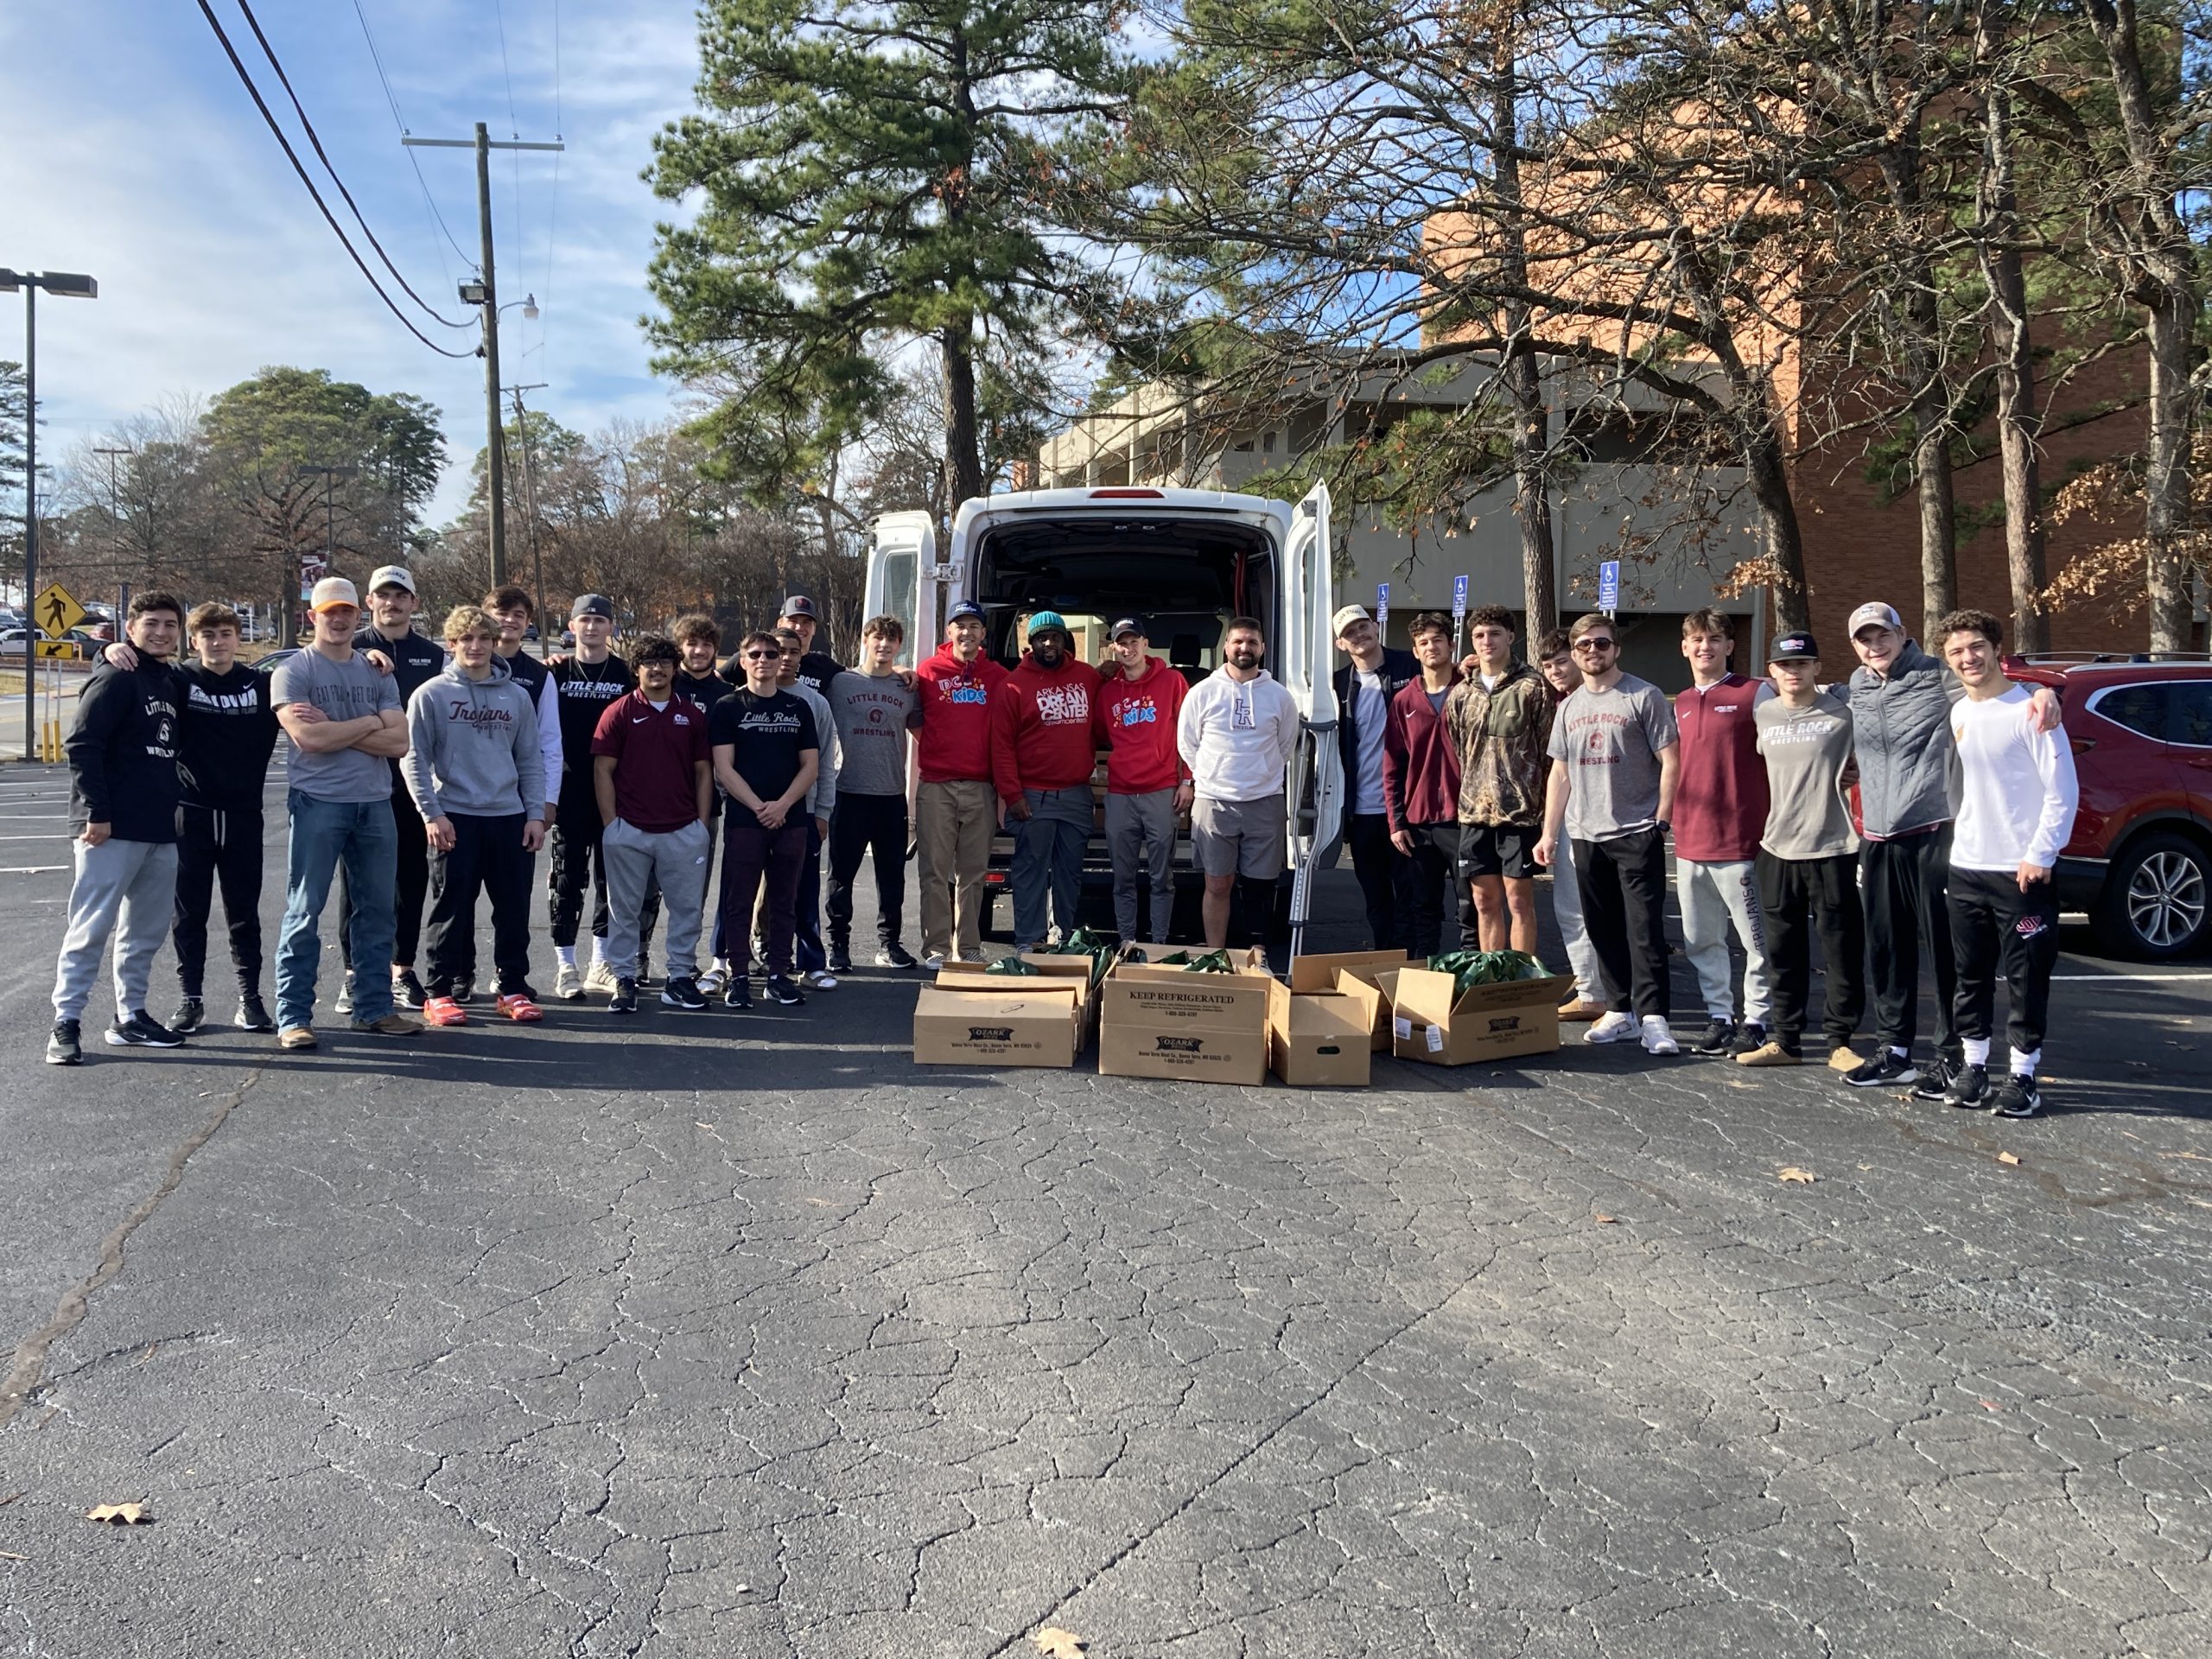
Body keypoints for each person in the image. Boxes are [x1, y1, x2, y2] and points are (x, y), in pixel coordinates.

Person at [1842, 601, 2058, 1094]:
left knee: (1946, 953)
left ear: (1902, 635)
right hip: (1877, 834)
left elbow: (1996, 687)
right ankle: (1895, 1050)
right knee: (1887, 948)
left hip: (1932, 830)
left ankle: (1951, 1054)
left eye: (1883, 636)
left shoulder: (1937, 675)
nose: (1875, 646)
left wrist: (2043, 691)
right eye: (1864, 639)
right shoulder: (1855, 684)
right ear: (1855, 645)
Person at [1936, 609, 2078, 1118]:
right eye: (1956, 652)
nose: (1967, 658)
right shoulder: (1960, 713)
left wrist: (2041, 854)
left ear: (1997, 649)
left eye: (1975, 647)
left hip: (2020, 872)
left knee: (2025, 977)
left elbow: (2062, 791)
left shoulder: (2032, 712)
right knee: (1969, 974)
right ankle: (1974, 1068)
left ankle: (2023, 1075)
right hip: (1968, 865)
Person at [270, 577, 420, 1048]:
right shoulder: (294, 672)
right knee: (304, 909)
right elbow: (309, 740)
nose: (338, 619)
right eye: (328, 612)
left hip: (375, 804)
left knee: (377, 911)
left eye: (347, 612)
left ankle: (373, 1008)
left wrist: (339, 726)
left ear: (360, 616)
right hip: (318, 803)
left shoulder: (378, 671)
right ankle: (293, 1016)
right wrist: (373, 722)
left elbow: (400, 742)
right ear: (311, 617)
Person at [48, 592, 190, 1065]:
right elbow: (82, 745)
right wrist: (96, 812)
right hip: (108, 828)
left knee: (143, 933)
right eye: (152, 623)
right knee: (90, 929)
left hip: (159, 829)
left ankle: (130, 1017)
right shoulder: (114, 676)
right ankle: (65, 1024)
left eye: (171, 624)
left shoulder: (168, 680)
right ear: (130, 628)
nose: (162, 632)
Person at [1537, 613, 1681, 1056]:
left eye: (1601, 644)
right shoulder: (1569, 706)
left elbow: (1671, 759)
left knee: (1643, 928)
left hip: (1637, 830)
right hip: (1586, 834)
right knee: (1602, 928)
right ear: (1576, 653)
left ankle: (1654, 1018)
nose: (1593, 652)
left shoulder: (1644, 695)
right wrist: (1549, 834)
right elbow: (1559, 773)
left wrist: (1661, 818)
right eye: (1584, 646)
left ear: (1615, 649)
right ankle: (1620, 1011)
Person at [401, 606, 549, 1027]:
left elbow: (530, 760)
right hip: (456, 818)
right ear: (452, 645)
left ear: (493, 642)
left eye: (483, 638)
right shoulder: (431, 694)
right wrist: (432, 813)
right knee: (451, 909)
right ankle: (440, 993)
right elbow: (414, 759)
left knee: (514, 909)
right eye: (466, 639)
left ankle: (513, 988)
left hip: (509, 817)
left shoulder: (516, 696)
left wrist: (534, 814)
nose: (476, 646)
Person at [1743, 631, 1866, 1070]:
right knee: (1782, 952)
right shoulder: (1765, 714)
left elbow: (1871, 755)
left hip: (1832, 844)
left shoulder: (1844, 712)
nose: (1793, 672)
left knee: (1840, 949)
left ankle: (1840, 1042)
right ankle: (1786, 1040)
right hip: (1777, 847)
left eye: (1802, 664)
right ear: (1772, 673)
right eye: (1784, 666)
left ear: (1816, 668)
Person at [338, 565, 447, 1015]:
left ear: (414, 604)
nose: (393, 603)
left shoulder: (432, 654)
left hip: (413, 784)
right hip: (359, 780)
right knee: (357, 880)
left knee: (410, 877)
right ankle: (355, 973)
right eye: (384, 595)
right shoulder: (348, 647)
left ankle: (401, 968)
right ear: (370, 602)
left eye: (401, 596)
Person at [168, 602, 281, 1036]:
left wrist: (370, 655)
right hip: (190, 814)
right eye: (208, 635)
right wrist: (109, 652)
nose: (217, 642)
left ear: (239, 639)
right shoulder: (178, 680)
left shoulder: (262, 684)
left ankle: (249, 998)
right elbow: (134, 671)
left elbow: (320, 673)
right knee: (188, 912)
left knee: (243, 911)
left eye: (226, 634)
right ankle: (190, 998)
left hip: (243, 815)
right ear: (194, 641)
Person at [1672, 608, 1776, 1057]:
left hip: (1743, 841)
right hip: (1690, 841)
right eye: (1696, 639)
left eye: (1714, 639)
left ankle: (1757, 1019)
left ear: (1730, 646)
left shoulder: (1756, 693)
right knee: (1702, 940)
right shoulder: (1677, 702)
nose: (1705, 647)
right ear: (1684, 647)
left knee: (1756, 941)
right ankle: (1719, 1016)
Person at [593, 633, 714, 1015]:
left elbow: (703, 773)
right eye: (649, 663)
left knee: (686, 910)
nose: (657, 669)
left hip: (682, 830)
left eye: (664, 662)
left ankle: (679, 979)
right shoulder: (619, 712)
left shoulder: (691, 715)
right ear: (637, 669)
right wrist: (612, 825)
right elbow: (602, 769)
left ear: (675, 668)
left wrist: (701, 825)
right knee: (624, 911)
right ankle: (624, 979)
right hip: (630, 830)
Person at [710, 630, 821, 1009]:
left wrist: (783, 805)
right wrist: (760, 806)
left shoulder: (798, 708)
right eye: (755, 654)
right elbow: (723, 768)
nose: (764, 660)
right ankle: (738, 976)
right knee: (738, 902)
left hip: (790, 821)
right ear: (742, 660)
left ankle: (779, 975)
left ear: (781, 661)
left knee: (784, 901)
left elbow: (811, 766)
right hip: (745, 819)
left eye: (771, 654)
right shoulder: (728, 706)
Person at [1178, 615, 1300, 950]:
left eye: (1251, 642)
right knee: (1217, 884)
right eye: (1238, 641)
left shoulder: (1279, 696)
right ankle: (1216, 952)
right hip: (1214, 803)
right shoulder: (1202, 693)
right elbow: (1187, 743)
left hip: (1265, 801)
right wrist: (1210, 774)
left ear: (1262, 648)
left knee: (1261, 886)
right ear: (1226, 647)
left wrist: (1261, 772)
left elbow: (1286, 745)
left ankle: (1258, 955)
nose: (1244, 647)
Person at [1443, 604, 1553, 955]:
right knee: (1483, 899)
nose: (1486, 641)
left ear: (1510, 636)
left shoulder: (1533, 687)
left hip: (1519, 814)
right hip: (1474, 813)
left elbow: (1548, 751)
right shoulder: (1461, 693)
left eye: (1494, 634)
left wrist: (1546, 812)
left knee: (1519, 901)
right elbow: (1460, 749)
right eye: (1479, 635)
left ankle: (1519, 977)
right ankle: (1493, 976)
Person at [993, 611, 1103, 952]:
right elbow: (1001, 746)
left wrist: (1110, 670)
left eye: (1055, 637)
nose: (1049, 644)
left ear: (1064, 640)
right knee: (1031, 871)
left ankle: (1065, 936)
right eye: (1042, 638)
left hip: (1076, 794)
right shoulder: (1013, 685)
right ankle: (1029, 939)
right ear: (1031, 644)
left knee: (1070, 873)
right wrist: (1012, 795)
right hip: (1032, 795)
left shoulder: (1087, 677)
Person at [824, 615, 925, 971]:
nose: (883, 645)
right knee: (841, 873)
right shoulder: (840, 683)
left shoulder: (907, 688)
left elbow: (925, 735)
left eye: (891, 640)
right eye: (877, 638)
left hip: (890, 794)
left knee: (892, 873)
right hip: (848, 792)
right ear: (864, 640)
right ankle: (838, 945)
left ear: (899, 645)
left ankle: (890, 944)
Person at [548, 594, 635, 1000]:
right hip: (569, 791)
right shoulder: (556, 672)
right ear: (571, 625)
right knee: (567, 879)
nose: (592, 627)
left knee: (610, 881)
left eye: (600, 620)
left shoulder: (626, 675)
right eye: (584, 619)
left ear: (611, 628)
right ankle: (566, 966)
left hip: (616, 793)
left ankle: (601, 963)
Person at [913, 601, 1007, 966]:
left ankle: (967, 948)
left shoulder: (998, 676)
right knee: (933, 872)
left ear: (984, 633)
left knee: (973, 875)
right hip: (936, 785)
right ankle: (936, 949)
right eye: (959, 625)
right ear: (948, 632)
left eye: (973, 626)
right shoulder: (928, 671)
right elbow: (911, 716)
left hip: (981, 787)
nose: (966, 632)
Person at [482, 584, 563, 1006]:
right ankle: (455, 978)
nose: (507, 620)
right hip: (463, 806)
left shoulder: (539, 676)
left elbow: (549, 745)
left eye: (516, 614)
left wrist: (545, 803)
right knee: (455, 900)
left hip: (518, 807)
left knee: (513, 903)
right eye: (499, 612)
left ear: (528, 623)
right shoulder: (453, 669)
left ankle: (511, 978)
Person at [1094, 617, 1191, 945]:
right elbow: (1099, 735)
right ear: (1114, 648)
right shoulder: (1107, 692)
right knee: (1122, 877)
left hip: (1161, 791)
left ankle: (1158, 942)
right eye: (1122, 642)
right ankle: (1127, 941)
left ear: (1146, 645)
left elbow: (1189, 734)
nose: (1128, 647)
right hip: (1121, 793)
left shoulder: (1173, 681)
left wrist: (1187, 781)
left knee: (1161, 876)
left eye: (1134, 641)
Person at [757, 626, 842, 988]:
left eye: (792, 651)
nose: (785, 658)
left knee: (805, 889)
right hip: (756, 812)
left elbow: (827, 761)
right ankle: (756, 954)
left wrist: (822, 811)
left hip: (803, 813)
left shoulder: (815, 703)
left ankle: (811, 962)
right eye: (777, 651)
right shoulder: (746, 698)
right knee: (752, 889)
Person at [1331, 604, 1418, 950]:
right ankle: (1386, 963)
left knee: (1412, 896)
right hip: (1361, 811)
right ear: (1340, 643)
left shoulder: (1410, 668)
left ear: (1375, 626)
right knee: (1377, 899)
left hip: (1406, 809)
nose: (1359, 634)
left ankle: (1413, 969)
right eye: (1350, 631)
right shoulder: (1337, 685)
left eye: (1363, 625)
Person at [1382, 612, 1467, 957]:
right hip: (1419, 823)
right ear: (1415, 652)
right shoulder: (1404, 701)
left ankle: (1471, 974)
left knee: (1471, 906)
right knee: (1423, 907)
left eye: (1437, 640)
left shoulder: (1471, 690)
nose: (1431, 647)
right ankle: (1426, 977)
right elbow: (1392, 766)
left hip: (1465, 819)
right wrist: (1396, 821)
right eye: (1423, 643)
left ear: (1451, 644)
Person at [1535, 628, 1609, 1020]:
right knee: (1572, 909)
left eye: (1561, 662)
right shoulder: (1558, 704)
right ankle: (1591, 990)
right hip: (1569, 821)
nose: (1555, 671)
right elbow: (1558, 773)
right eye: (1547, 666)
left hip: (1618, 822)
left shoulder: (1624, 696)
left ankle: (1626, 996)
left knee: (1616, 912)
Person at [671, 613, 736, 989]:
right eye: (691, 644)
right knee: (649, 890)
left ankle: (685, 960)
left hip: (703, 808)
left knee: (694, 890)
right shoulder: (662, 683)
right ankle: (641, 955)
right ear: (681, 646)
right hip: (656, 803)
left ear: (715, 650)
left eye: (706, 645)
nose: (698, 651)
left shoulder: (724, 694)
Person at [721, 594, 842, 695]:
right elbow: (714, 680)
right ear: (780, 623)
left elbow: (855, 676)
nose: (799, 627)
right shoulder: (756, 657)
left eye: (807, 622)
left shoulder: (823, 664)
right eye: (793, 621)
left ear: (814, 628)